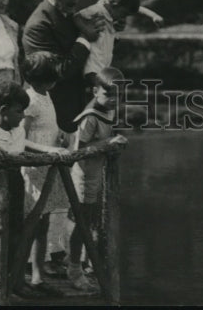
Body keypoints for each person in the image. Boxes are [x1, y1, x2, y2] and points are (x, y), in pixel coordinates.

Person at [0, 80, 67, 295]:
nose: (22, 116)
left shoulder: (18, 131)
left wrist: (53, 150)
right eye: (18, 111)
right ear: (3, 111)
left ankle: (12, 282)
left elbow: (25, 149)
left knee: (14, 234)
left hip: (15, 184)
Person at [22, 0, 101, 134]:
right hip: (50, 111)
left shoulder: (70, 14)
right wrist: (85, 36)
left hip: (75, 106)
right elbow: (58, 70)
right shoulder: (38, 25)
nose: (73, 0)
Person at [68, 66, 123, 292]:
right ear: (94, 91)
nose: (113, 99)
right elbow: (77, 150)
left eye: (117, 95)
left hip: (95, 173)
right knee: (82, 223)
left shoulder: (109, 110)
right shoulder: (90, 116)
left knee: (90, 221)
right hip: (83, 175)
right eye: (107, 94)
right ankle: (73, 268)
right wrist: (107, 145)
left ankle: (86, 260)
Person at [21, 53, 70, 291]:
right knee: (32, 223)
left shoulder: (46, 95)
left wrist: (60, 134)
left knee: (44, 223)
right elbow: (21, 137)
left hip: (48, 168)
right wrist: (46, 149)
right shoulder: (29, 100)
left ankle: (38, 274)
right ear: (42, 79)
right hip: (34, 168)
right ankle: (20, 273)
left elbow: (48, 125)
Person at [76, 0, 163, 86]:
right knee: (96, 77)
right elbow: (77, 17)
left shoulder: (113, 7)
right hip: (95, 50)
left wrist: (153, 15)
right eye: (123, 13)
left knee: (104, 76)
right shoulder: (99, 9)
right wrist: (87, 31)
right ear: (116, 4)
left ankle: (98, 92)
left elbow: (138, 9)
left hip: (105, 50)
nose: (123, 17)